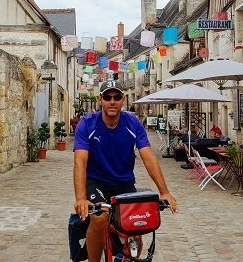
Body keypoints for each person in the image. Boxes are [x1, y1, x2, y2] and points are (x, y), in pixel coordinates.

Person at [73, 80, 178, 262]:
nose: (112, 101)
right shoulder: (87, 124)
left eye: (116, 97)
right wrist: (81, 198)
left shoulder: (133, 123)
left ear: (123, 100)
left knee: (136, 227)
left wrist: (165, 192)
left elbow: (148, 157)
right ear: (101, 100)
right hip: (96, 181)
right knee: (99, 218)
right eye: (107, 97)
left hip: (123, 182)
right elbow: (80, 162)